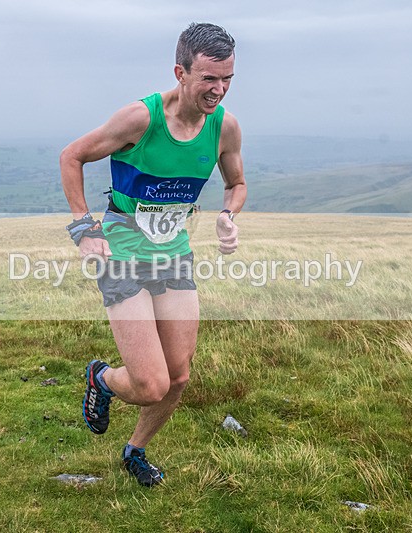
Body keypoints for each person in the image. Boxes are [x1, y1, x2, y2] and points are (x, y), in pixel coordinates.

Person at [60, 22, 246, 487]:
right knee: (150, 384)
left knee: (178, 376)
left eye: (227, 79)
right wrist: (84, 227)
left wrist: (228, 213)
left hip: (173, 256)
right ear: (180, 72)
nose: (218, 90)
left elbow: (237, 182)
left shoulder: (225, 127)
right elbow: (72, 156)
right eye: (208, 78)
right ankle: (102, 378)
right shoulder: (140, 120)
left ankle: (135, 451)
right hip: (121, 253)